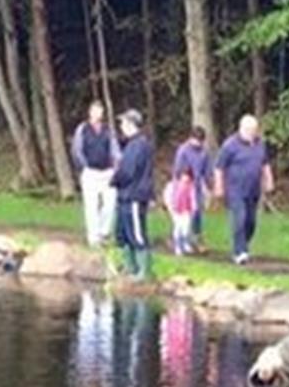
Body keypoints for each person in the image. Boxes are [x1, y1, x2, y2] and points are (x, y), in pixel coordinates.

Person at [213, 114, 274, 266]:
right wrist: (219, 187)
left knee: (251, 222)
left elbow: (265, 164)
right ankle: (239, 252)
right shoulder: (230, 145)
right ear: (241, 128)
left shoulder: (260, 144)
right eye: (248, 129)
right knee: (239, 219)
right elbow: (219, 167)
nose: (251, 133)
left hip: (253, 190)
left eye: (254, 130)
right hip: (235, 190)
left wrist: (269, 180)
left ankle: (242, 243)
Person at [112, 109, 156, 281]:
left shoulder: (139, 145)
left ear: (131, 124)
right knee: (123, 232)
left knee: (136, 233)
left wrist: (114, 179)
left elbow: (128, 171)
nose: (121, 126)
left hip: (134, 195)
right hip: (126, 194)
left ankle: (143, 272)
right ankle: (130, 267)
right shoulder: (132, 144)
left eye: (123, 122)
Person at [70, 102, 119, 248]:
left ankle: (104, 232)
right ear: (90, 113)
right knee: (91, 206)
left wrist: (116, 164)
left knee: (110, 204)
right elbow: (77, 150)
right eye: (96, 111)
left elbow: (114, 148)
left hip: (107, 171)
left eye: (101, 111)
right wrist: (84, 166)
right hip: (90, 172)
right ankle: (93, 237)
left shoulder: (108, 130)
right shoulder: (82, 129)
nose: (99, 114)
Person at [170, 126, 212, 251]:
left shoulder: (204, 152)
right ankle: (181, 239)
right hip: (184, 186)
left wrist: (208, 185)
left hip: (197, 186)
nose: (198, 143)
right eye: (196, 140)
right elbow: (178, 169)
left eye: (200, 141)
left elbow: (207, 170)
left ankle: (196, 238)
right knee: (183, 214)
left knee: (197, 212)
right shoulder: (183, 150)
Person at [163, 168, 199, 256]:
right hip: (176, 210)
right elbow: (168, 195)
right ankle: (178, 246)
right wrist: (169, 206)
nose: (185, 178)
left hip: (186, 210)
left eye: (187, 176)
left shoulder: (191, 186)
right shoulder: (173, 185)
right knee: (178, 228)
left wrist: (194, 207)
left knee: (186, 228)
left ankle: (185, 243)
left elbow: (193, 197)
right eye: (184, 175)